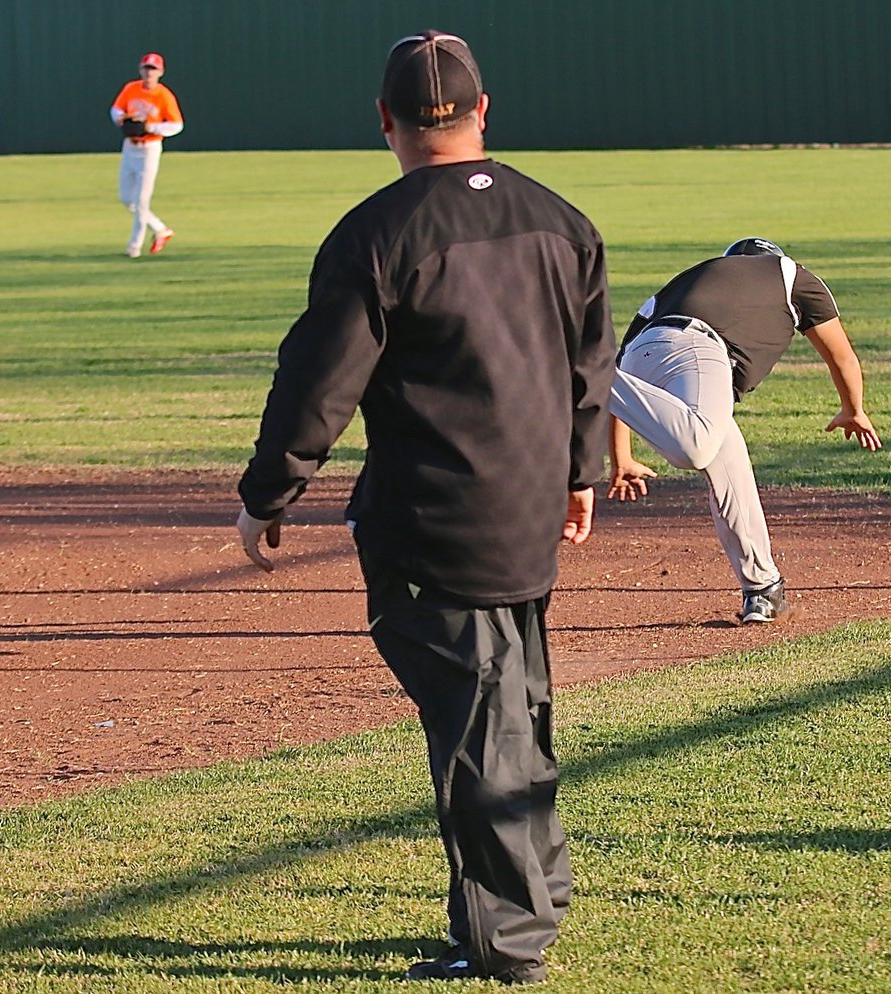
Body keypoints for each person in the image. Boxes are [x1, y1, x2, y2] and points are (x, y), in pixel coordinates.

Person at [235, 30, 615, 985]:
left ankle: (504, 940)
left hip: (433, 517)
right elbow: (588, 369)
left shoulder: (375, 234)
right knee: (514, 701)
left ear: (385, 121)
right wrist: (579, 473)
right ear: (485, 112)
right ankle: (539, 892)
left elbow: (319, 382)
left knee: (481, 724)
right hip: (527, 505)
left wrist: (270, 491)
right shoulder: (561, 219)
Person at [608, 237, 881, 624]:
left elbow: (628, 391)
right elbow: (841, 356)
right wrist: (854, 410)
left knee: (729, 464)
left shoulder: (684, 282)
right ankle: (586, 371)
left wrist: (622, 457)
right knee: (696, 448)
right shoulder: (790, 274)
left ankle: (763, 589)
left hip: (644, 355)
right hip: (699, 350)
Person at [109, 52, 183, 258]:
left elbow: (176, 125)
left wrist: (152, 127)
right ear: (140, 69)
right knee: (127, 199)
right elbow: (116, 109)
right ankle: (160, 229)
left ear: (161, 72)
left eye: (153, 69)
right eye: (146, 68)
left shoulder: (164, 96)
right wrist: (121, 117)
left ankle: (134, 247)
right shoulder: (131, 88)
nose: (149, 72)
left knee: (141, 202)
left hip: (149, 149)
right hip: (130, 146)